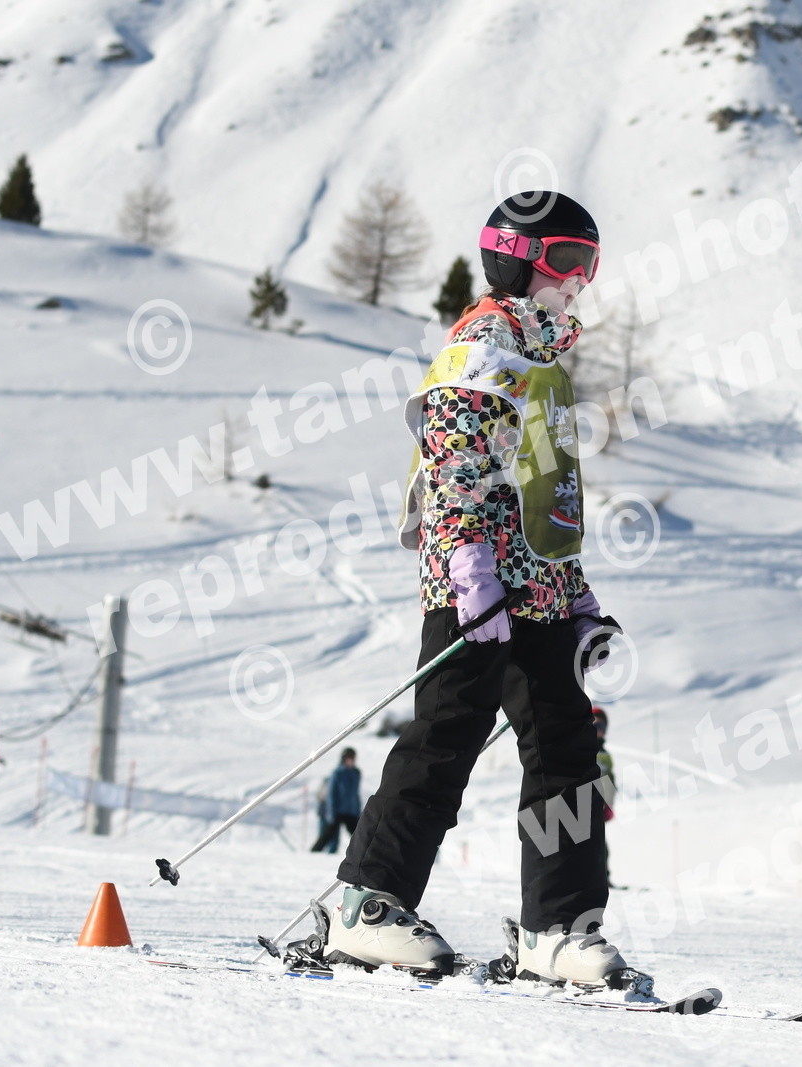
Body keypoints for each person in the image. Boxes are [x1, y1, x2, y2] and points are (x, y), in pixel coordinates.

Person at [326, 191, 635, 991]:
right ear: (517, 258)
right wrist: (470, 565)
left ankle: (557, 929)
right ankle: (368, 904)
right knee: (446, 735)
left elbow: (544, 491)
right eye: (566, 260)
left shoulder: (542, 358)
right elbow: (455, 455)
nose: (579, 279)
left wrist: (575, 595)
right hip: (476, 583)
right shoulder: (486, 340)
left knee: (568, 752)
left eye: (589, 264)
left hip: (535, 587)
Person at [310, 748, 361, 853]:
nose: (351, 760)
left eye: (353, 757)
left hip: (350, 811)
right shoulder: (337, 773)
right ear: (344, 758)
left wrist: (357, 810)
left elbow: (355, 794)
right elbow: (331, 795)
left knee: (359, 835)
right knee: (328, 835)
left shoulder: (356, 773)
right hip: (337, 811)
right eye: (349, 757)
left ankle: (364, 853)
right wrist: (331, 812)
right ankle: (313, 853)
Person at [592, 707, 617, 888]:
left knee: (600, 844)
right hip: (581, 804)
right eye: (594, 726)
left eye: (601, 727)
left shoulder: (605, 756)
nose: (598, 731)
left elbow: (609, 780)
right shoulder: (581, 748)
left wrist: (608, 804)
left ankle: (602, 878)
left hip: (598, 805)